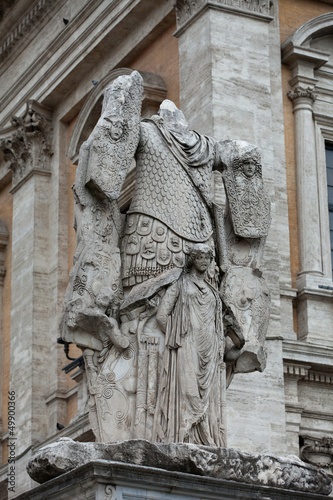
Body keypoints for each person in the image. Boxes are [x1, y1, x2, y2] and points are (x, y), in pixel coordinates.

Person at [153, 243, 225, 446]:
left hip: (209, 345)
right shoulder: (180, 284)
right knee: (188, 390)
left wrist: (219, 345)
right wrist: (175, 336)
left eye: (207, 258)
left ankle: (204, 435)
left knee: (207, 393)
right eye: (200, 257)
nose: (204, 261)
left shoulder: (212, 291)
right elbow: (161, 315)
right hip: (187, 342)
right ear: (192, 259)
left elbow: (216, 321)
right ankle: (183, 431)